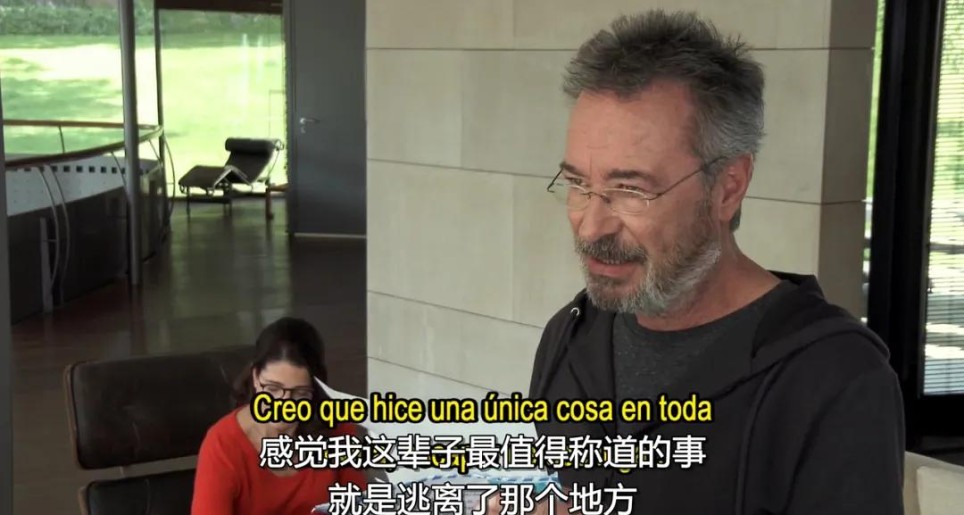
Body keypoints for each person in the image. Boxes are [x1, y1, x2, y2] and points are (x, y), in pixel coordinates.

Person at [522, 9, 904, 515]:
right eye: (577, 184)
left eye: (631, 189)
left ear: (727, 188)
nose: (592, 227)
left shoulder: (834, 379)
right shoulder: (570, 340)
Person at [192, 317, 367, 515]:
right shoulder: (222, 445)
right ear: (256, 377)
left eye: (299, 393)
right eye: (273, 389)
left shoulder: (337, 426)